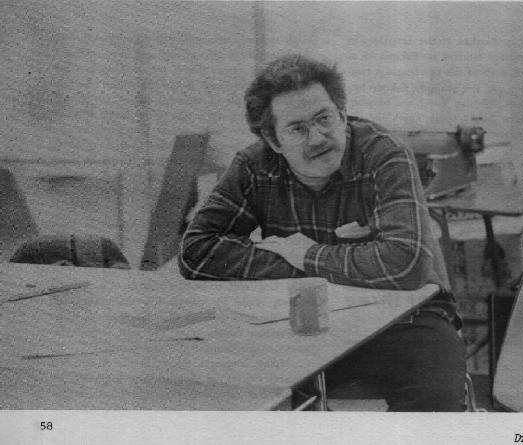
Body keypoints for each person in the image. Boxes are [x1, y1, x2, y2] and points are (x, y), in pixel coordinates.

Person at [179, 54, 466, 411]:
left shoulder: (384, 153)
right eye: (298, 129)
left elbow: (406, 264)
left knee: (434, 382)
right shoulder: (253, 166)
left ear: (342, 115)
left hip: (405, 323)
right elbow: (196, 251)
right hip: (300, 325)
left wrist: (306, 254)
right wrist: (310, 270)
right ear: (273, 140)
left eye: (324, 119)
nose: (317, 138)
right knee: (225, 378)